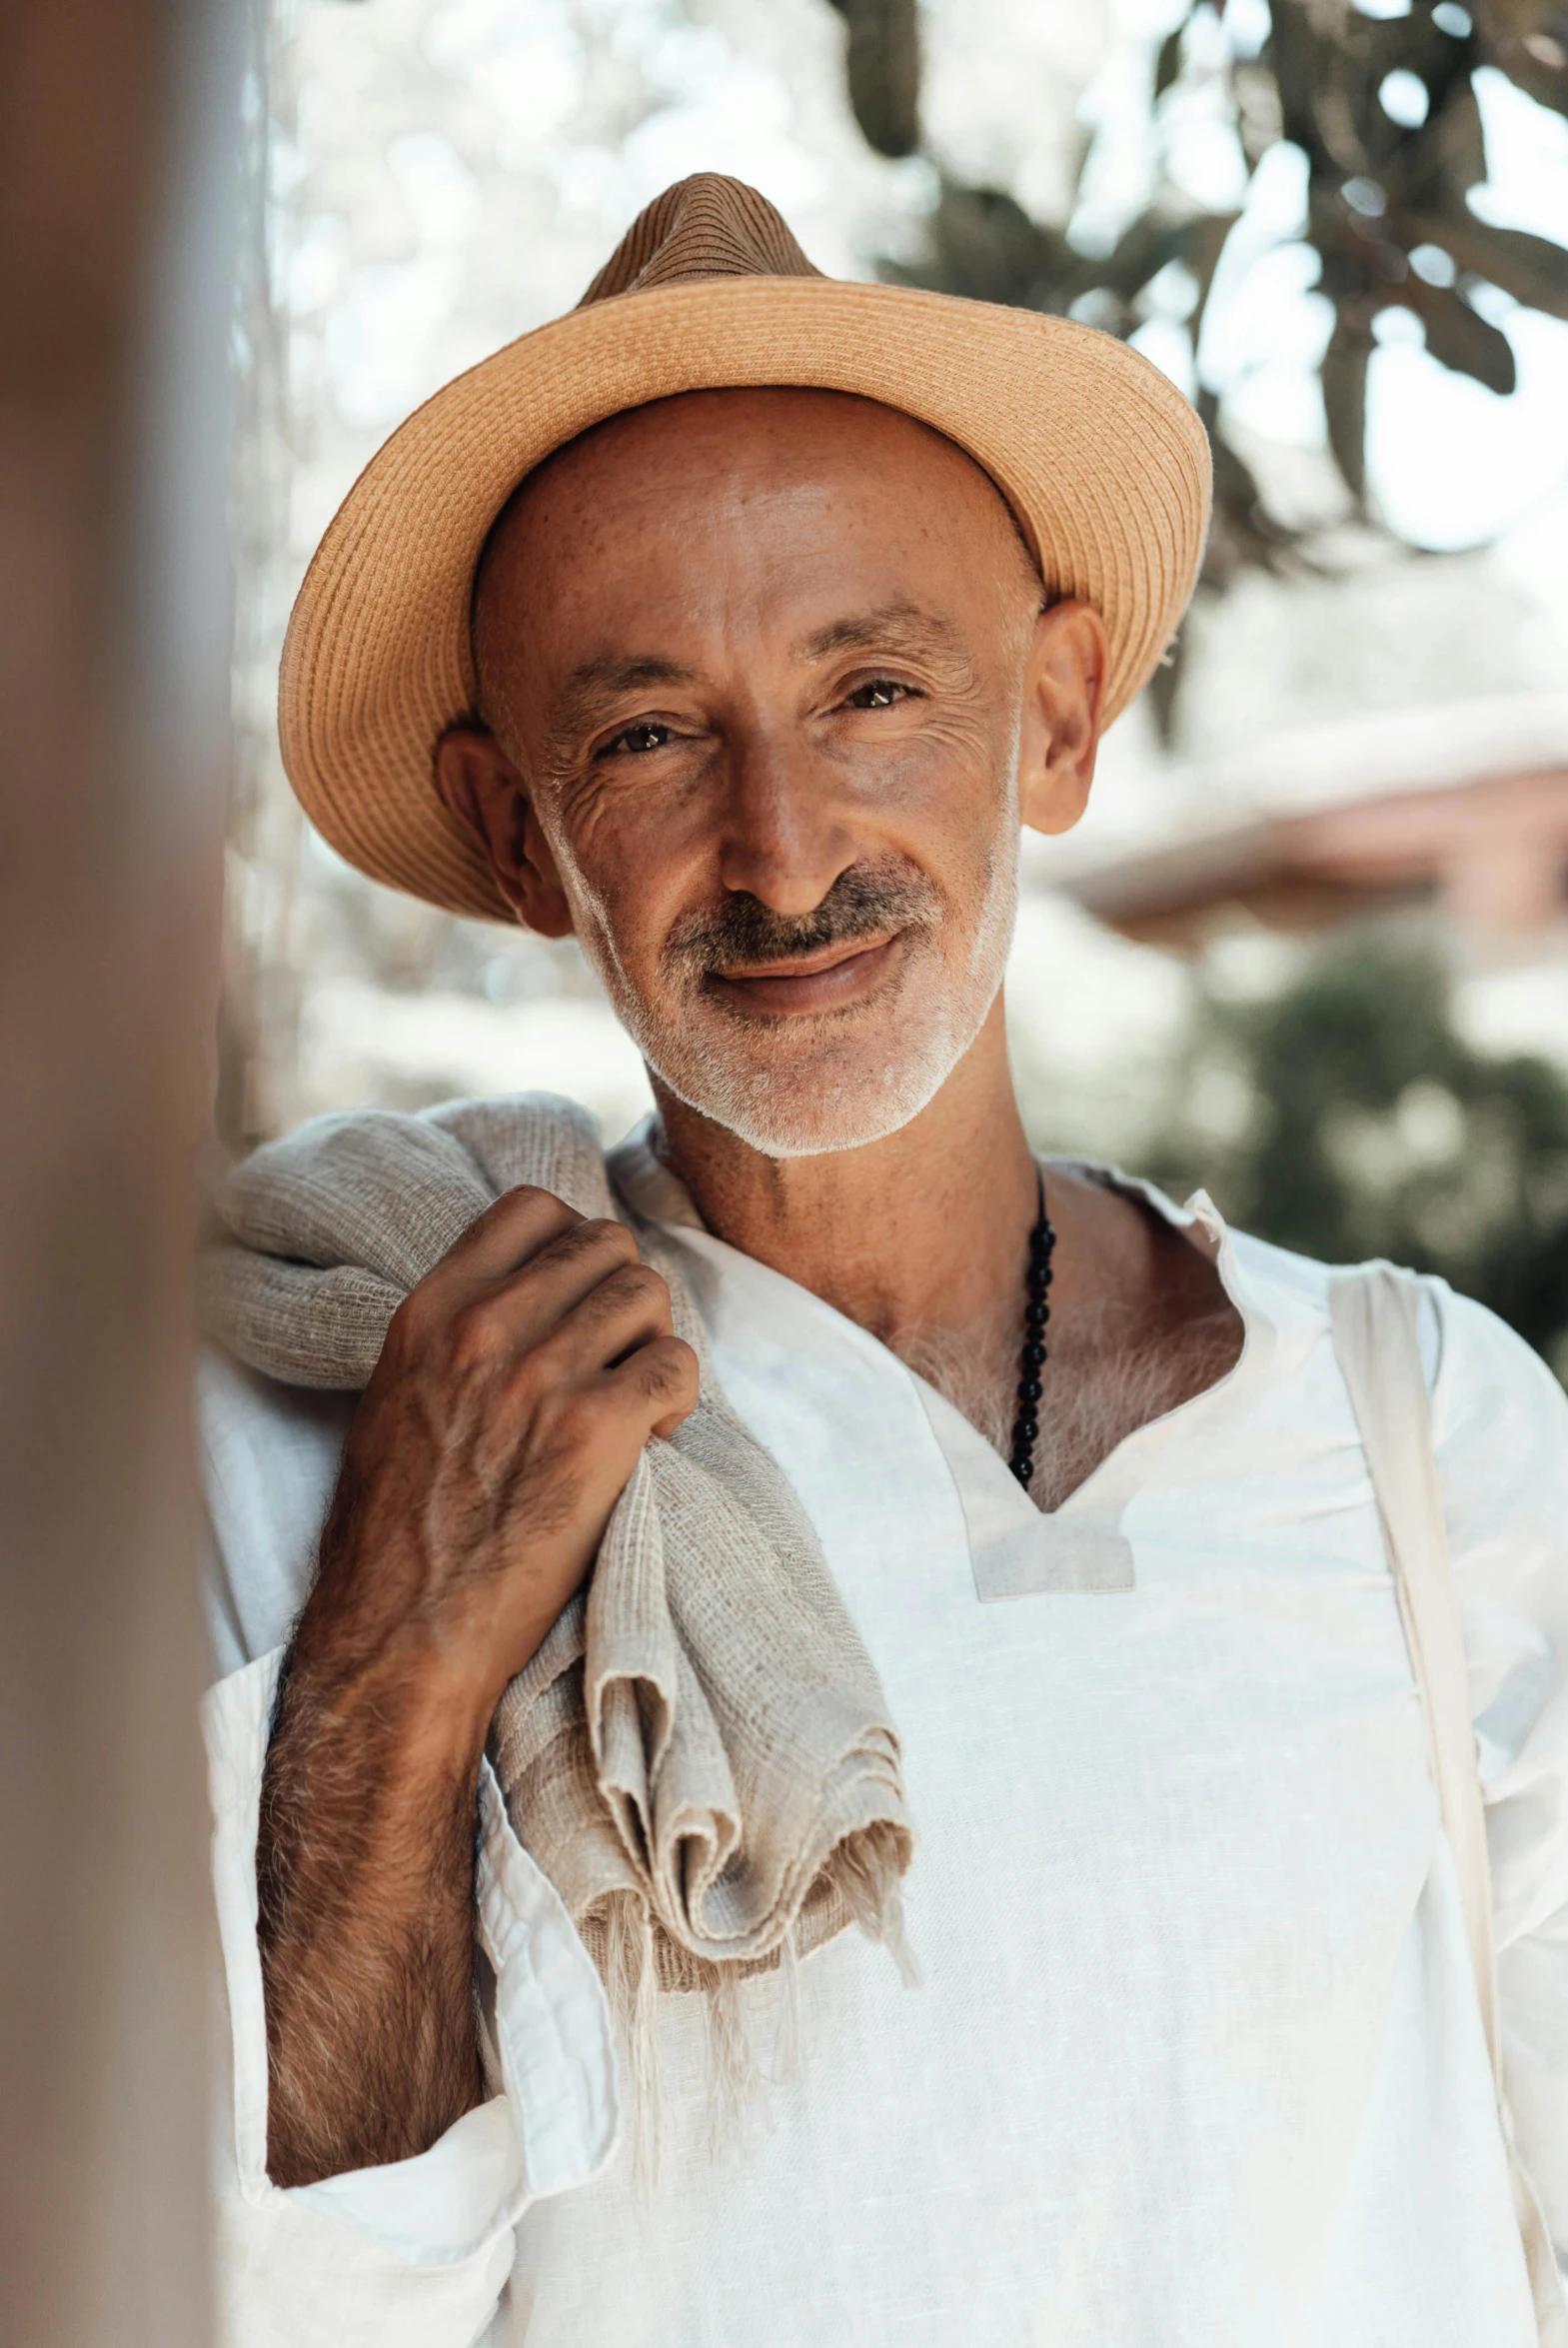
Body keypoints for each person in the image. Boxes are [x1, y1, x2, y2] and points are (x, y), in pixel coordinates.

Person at [201, 175, 1568, 2347]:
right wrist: (387, 1676)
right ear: (509, 830)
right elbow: (261, 2318)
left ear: (1053, 715)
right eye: (647, 734)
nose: (783, 847)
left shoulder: (1428, 1442)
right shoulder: (354, 1430)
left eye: (869, 691)